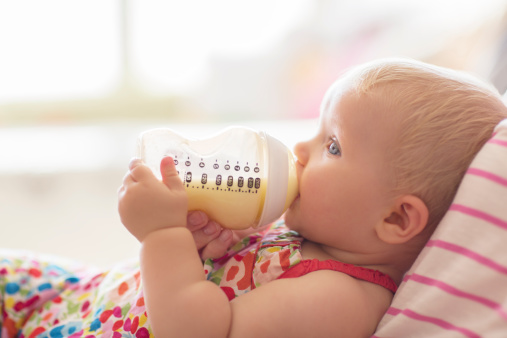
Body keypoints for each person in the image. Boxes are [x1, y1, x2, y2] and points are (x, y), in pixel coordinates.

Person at [1, 58, 506, 337]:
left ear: (396, 218)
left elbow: (198, 330)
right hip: (79, 295)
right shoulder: (309, 235)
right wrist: (211, 244)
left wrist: (162, 235)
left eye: (332, 145)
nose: (302, 150)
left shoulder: (342, 299)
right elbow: (228, 280)